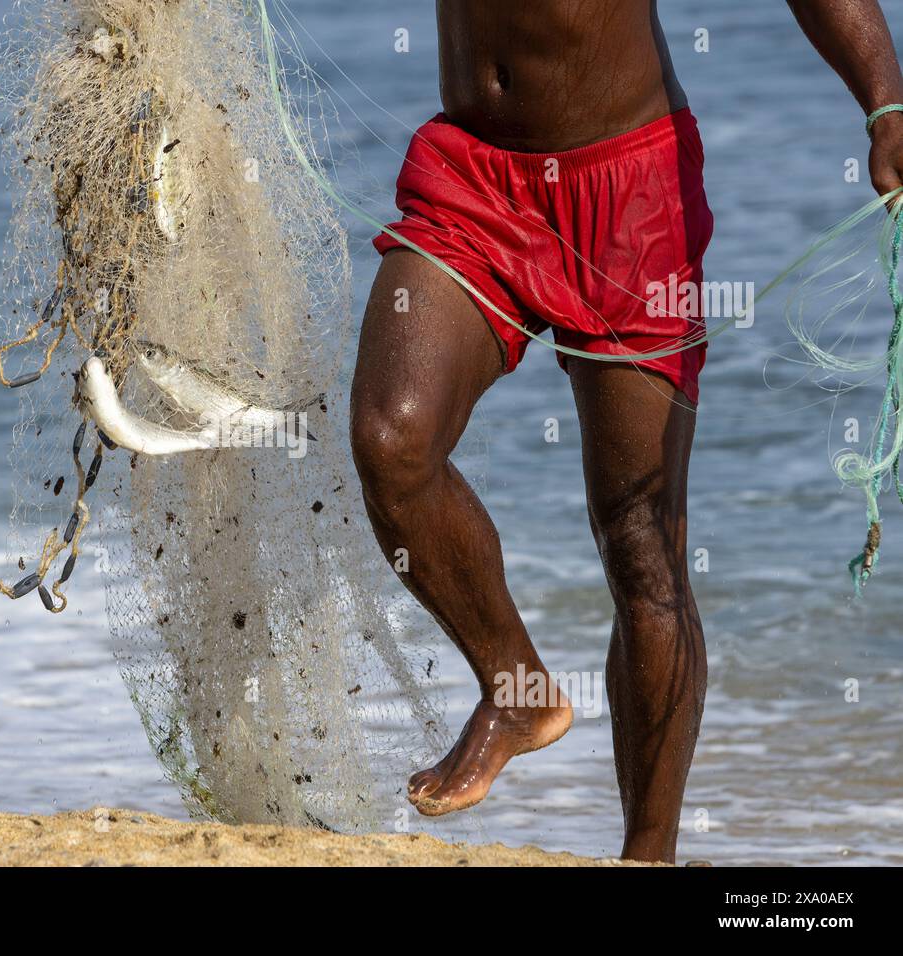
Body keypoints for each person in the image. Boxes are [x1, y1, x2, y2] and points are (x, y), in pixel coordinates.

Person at [350, 0, 903, 863]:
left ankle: (648, 854)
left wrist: (884, 103)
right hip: (474, 178)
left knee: (640, 548)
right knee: (393, 438)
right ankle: (517, 688)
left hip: (632, 200)